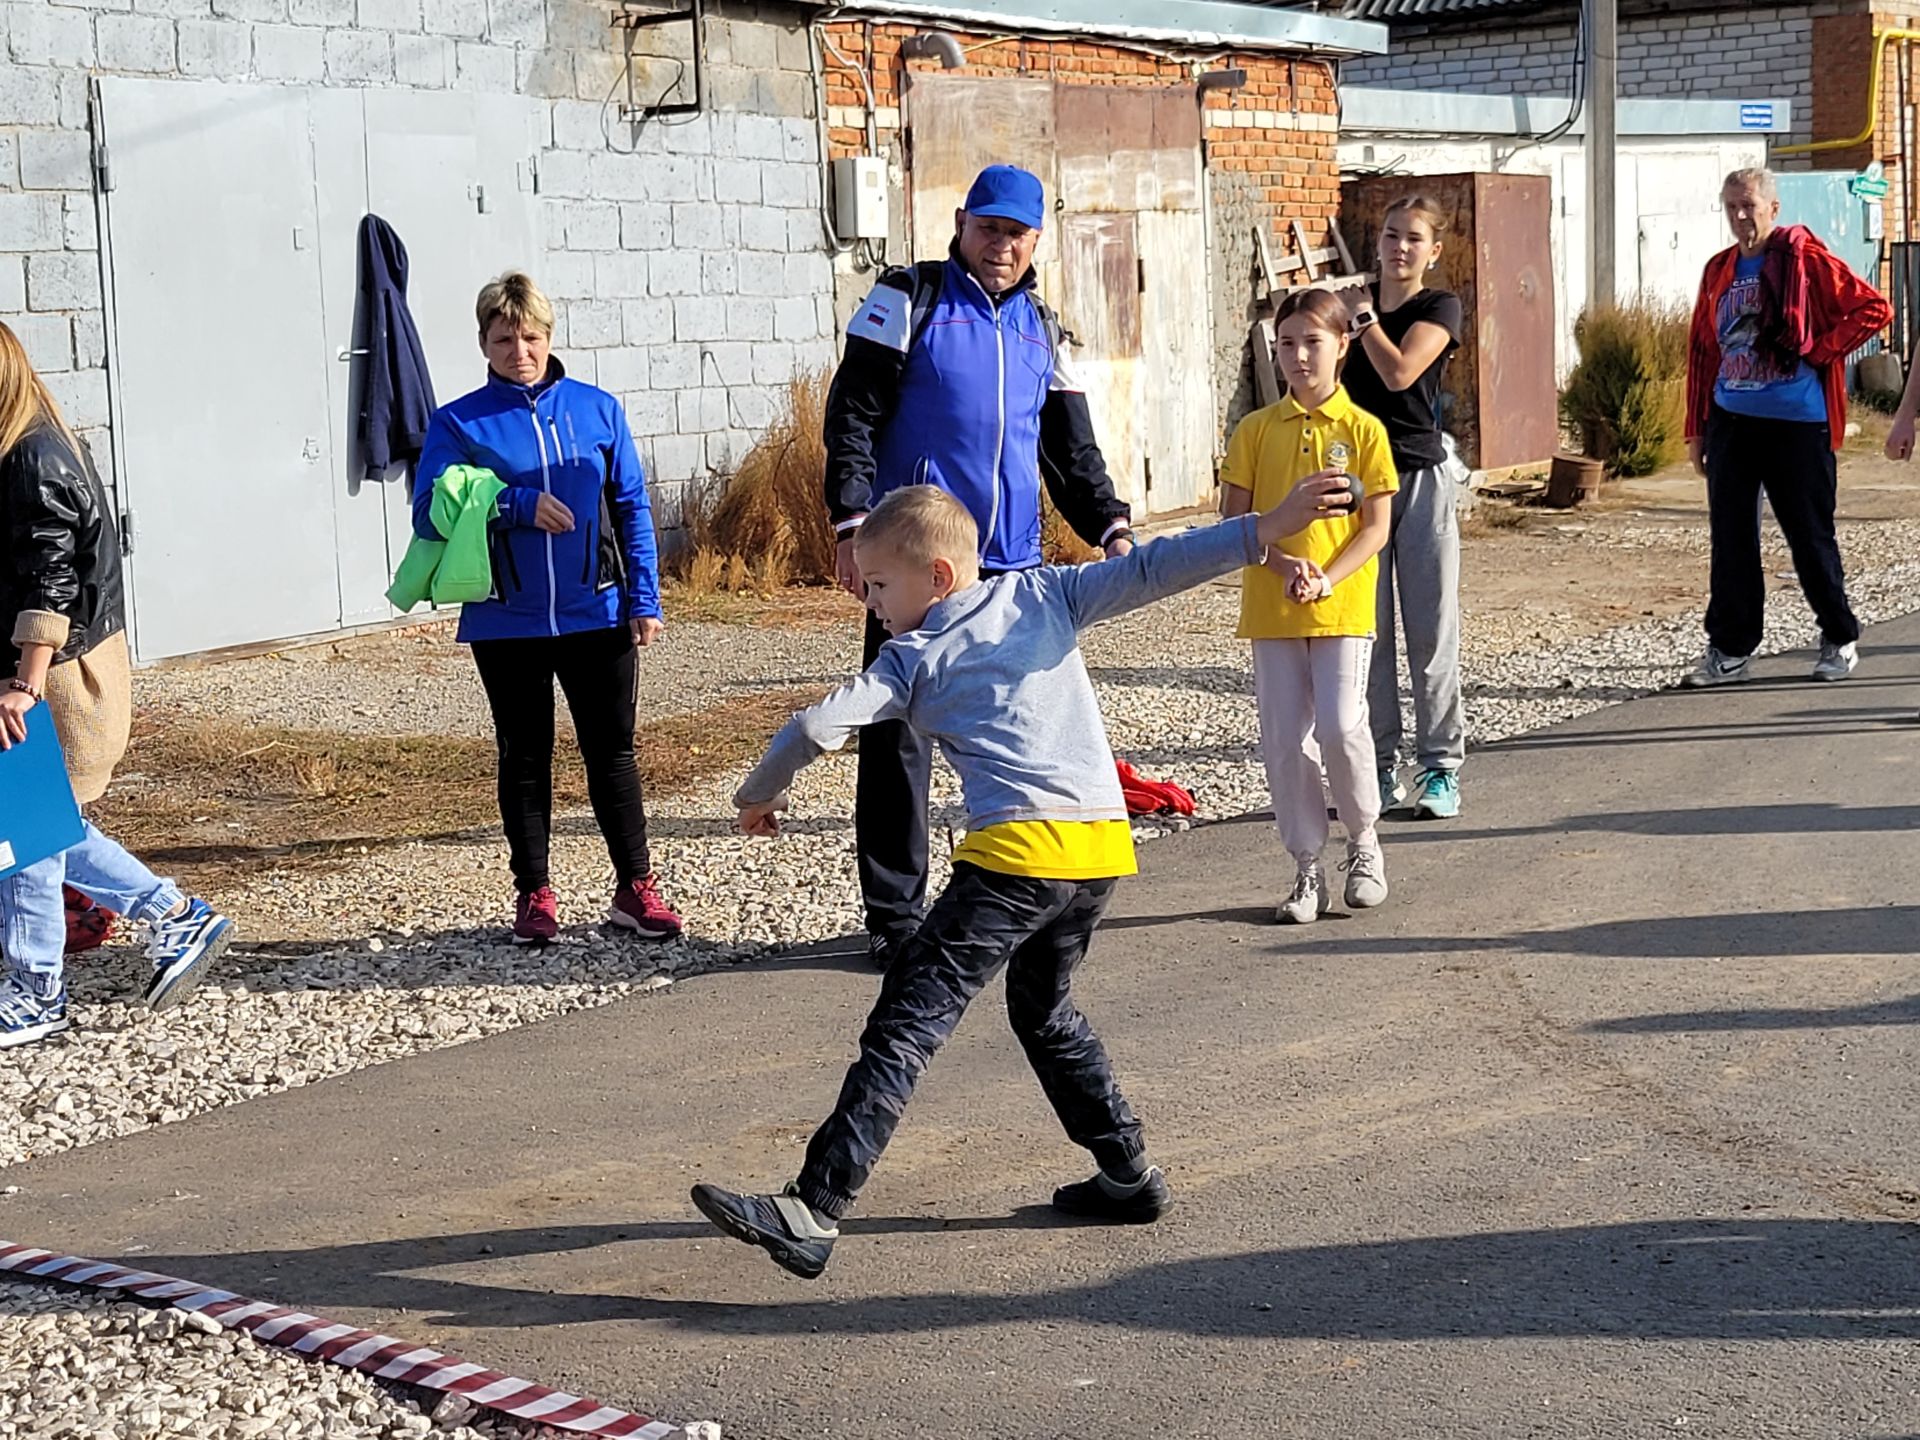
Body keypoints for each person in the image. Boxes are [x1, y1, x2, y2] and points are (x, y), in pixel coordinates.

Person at [691, 476, 1348, 1279]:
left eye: (880, 586)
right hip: (1099, 853)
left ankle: (814, 1208)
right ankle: (1127, 1174)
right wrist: (1264, 528)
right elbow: (1155, 568)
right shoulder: (1045, 596)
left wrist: (759, 792)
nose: (871, 603)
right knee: (1042, 1009)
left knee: (908, 1021)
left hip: (1013, 860)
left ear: (937, 577)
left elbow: (817, 724)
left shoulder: (914, 652)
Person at [823, 163, 1136, 972]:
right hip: (918, 566)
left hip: (1009, 572)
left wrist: (1109, 524)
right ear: (961, 223)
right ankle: (894, 918)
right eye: (988, 227)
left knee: (1021, 740)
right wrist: (853, 522)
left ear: (1037, 240)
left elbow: (1070, 447)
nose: (1001, 245)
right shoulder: (909, 298)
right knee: (897, 738)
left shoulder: (1043, 328)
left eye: (1017, 233)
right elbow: (852, 409)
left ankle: (1018, 897)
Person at [412, 272, 681, 946]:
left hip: (599, 613)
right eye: (504, 338)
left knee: (612, 752)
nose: (519, 351)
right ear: (484, 342)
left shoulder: (597, 410)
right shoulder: (457, 422)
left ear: (549, 337)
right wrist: (513, 505)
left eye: (530, 337)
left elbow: (631, 509)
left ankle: (635, 888)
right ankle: (534, 893)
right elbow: (429, 508)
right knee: (524, 756)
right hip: (507, 620)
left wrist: (644, 597)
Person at [0, 322, 233, 1048]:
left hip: (54, 674)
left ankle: (38, 990)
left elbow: (51, 581)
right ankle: (172, 915)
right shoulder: (27, 440)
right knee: (36, 823)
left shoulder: (31, 458)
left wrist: (24, 687)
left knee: (28, 830)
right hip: (43, 667)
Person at [1222, 289, 1398, 925]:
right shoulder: (1254, 429)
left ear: (1342, 346)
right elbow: (1232, 522)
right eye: (1287, 343)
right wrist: (1280, 564)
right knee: (1285, 740)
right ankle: (1306, 868)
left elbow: (1375, 528)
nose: (1299, 356)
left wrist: (1326, 576)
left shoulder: (1364, 430)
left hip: (1342, 607)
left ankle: (1365, 843)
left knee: (1342, 726)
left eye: (1312, 342)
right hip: (1272, 608)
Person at [1682, 167, 1891, 688]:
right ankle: (1731, 648)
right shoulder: (1719, 270)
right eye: (1731, 206)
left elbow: (1874, 308)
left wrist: (1819, 351)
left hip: (1797, 424)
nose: (1740, 216)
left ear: (1773, 209)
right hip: (1732, 419)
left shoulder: (1804, 259)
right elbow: (1704, 350)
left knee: (1808, 536)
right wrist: (1697, 429)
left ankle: (1838, 637)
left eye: (1749, 205)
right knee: (1731, 539)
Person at [1341, 195, 1468, 820]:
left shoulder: (1436, 307)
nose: (1399, 248)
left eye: (1413, 239)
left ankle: (1441, 768)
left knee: (1430, 629)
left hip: (1417, 477)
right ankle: (1381, 766)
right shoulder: (1354, 301)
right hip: (1360, 485)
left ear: (1433, 251)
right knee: (1369, 634)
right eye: (1391, 235)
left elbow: (1399, 374)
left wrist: (1360, 321)